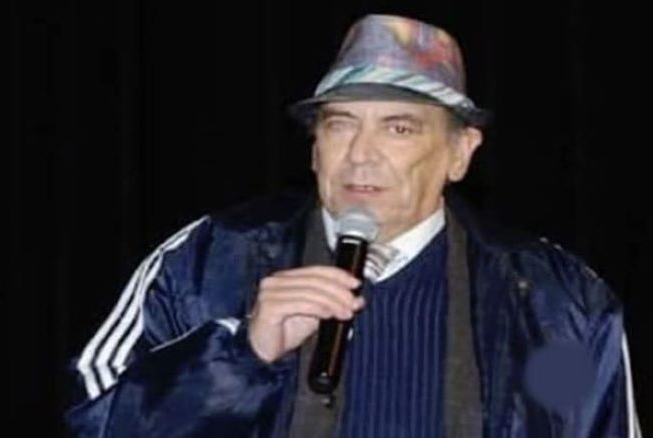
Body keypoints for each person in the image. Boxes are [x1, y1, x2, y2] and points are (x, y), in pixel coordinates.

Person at [65, 14, 641, 437]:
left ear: (460, 153)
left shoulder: (555, 297)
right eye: (340, 125)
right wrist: (241, 355)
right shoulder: (209, 259)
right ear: (315, 148)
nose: (361, 155)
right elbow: (94, 422)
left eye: (399, 128)